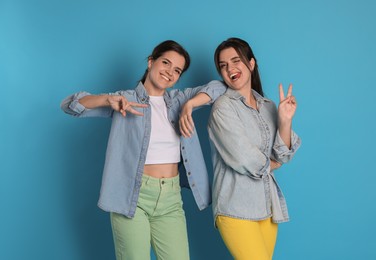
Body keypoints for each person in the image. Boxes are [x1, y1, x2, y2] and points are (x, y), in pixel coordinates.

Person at [60, 40, 225, 260]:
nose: (169, 72)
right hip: (132, 197)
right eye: (165, 63)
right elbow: (70, 105)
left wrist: (191, 105)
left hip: (171, 199)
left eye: (177, 70)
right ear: (150, 62)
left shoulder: (180, 99)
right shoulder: (124, 99)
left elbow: (219, 87)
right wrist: (107, 100)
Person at [207, 37, 301, 260]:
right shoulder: (223, 108)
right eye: (223, 65)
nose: (230, 68)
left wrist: (285, 121)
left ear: (251, 63)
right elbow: (243, 157)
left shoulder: (268, 106)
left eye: (236, 60)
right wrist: (270, 164)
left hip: (266, 207)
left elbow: (282, 154)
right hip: (235, 207)